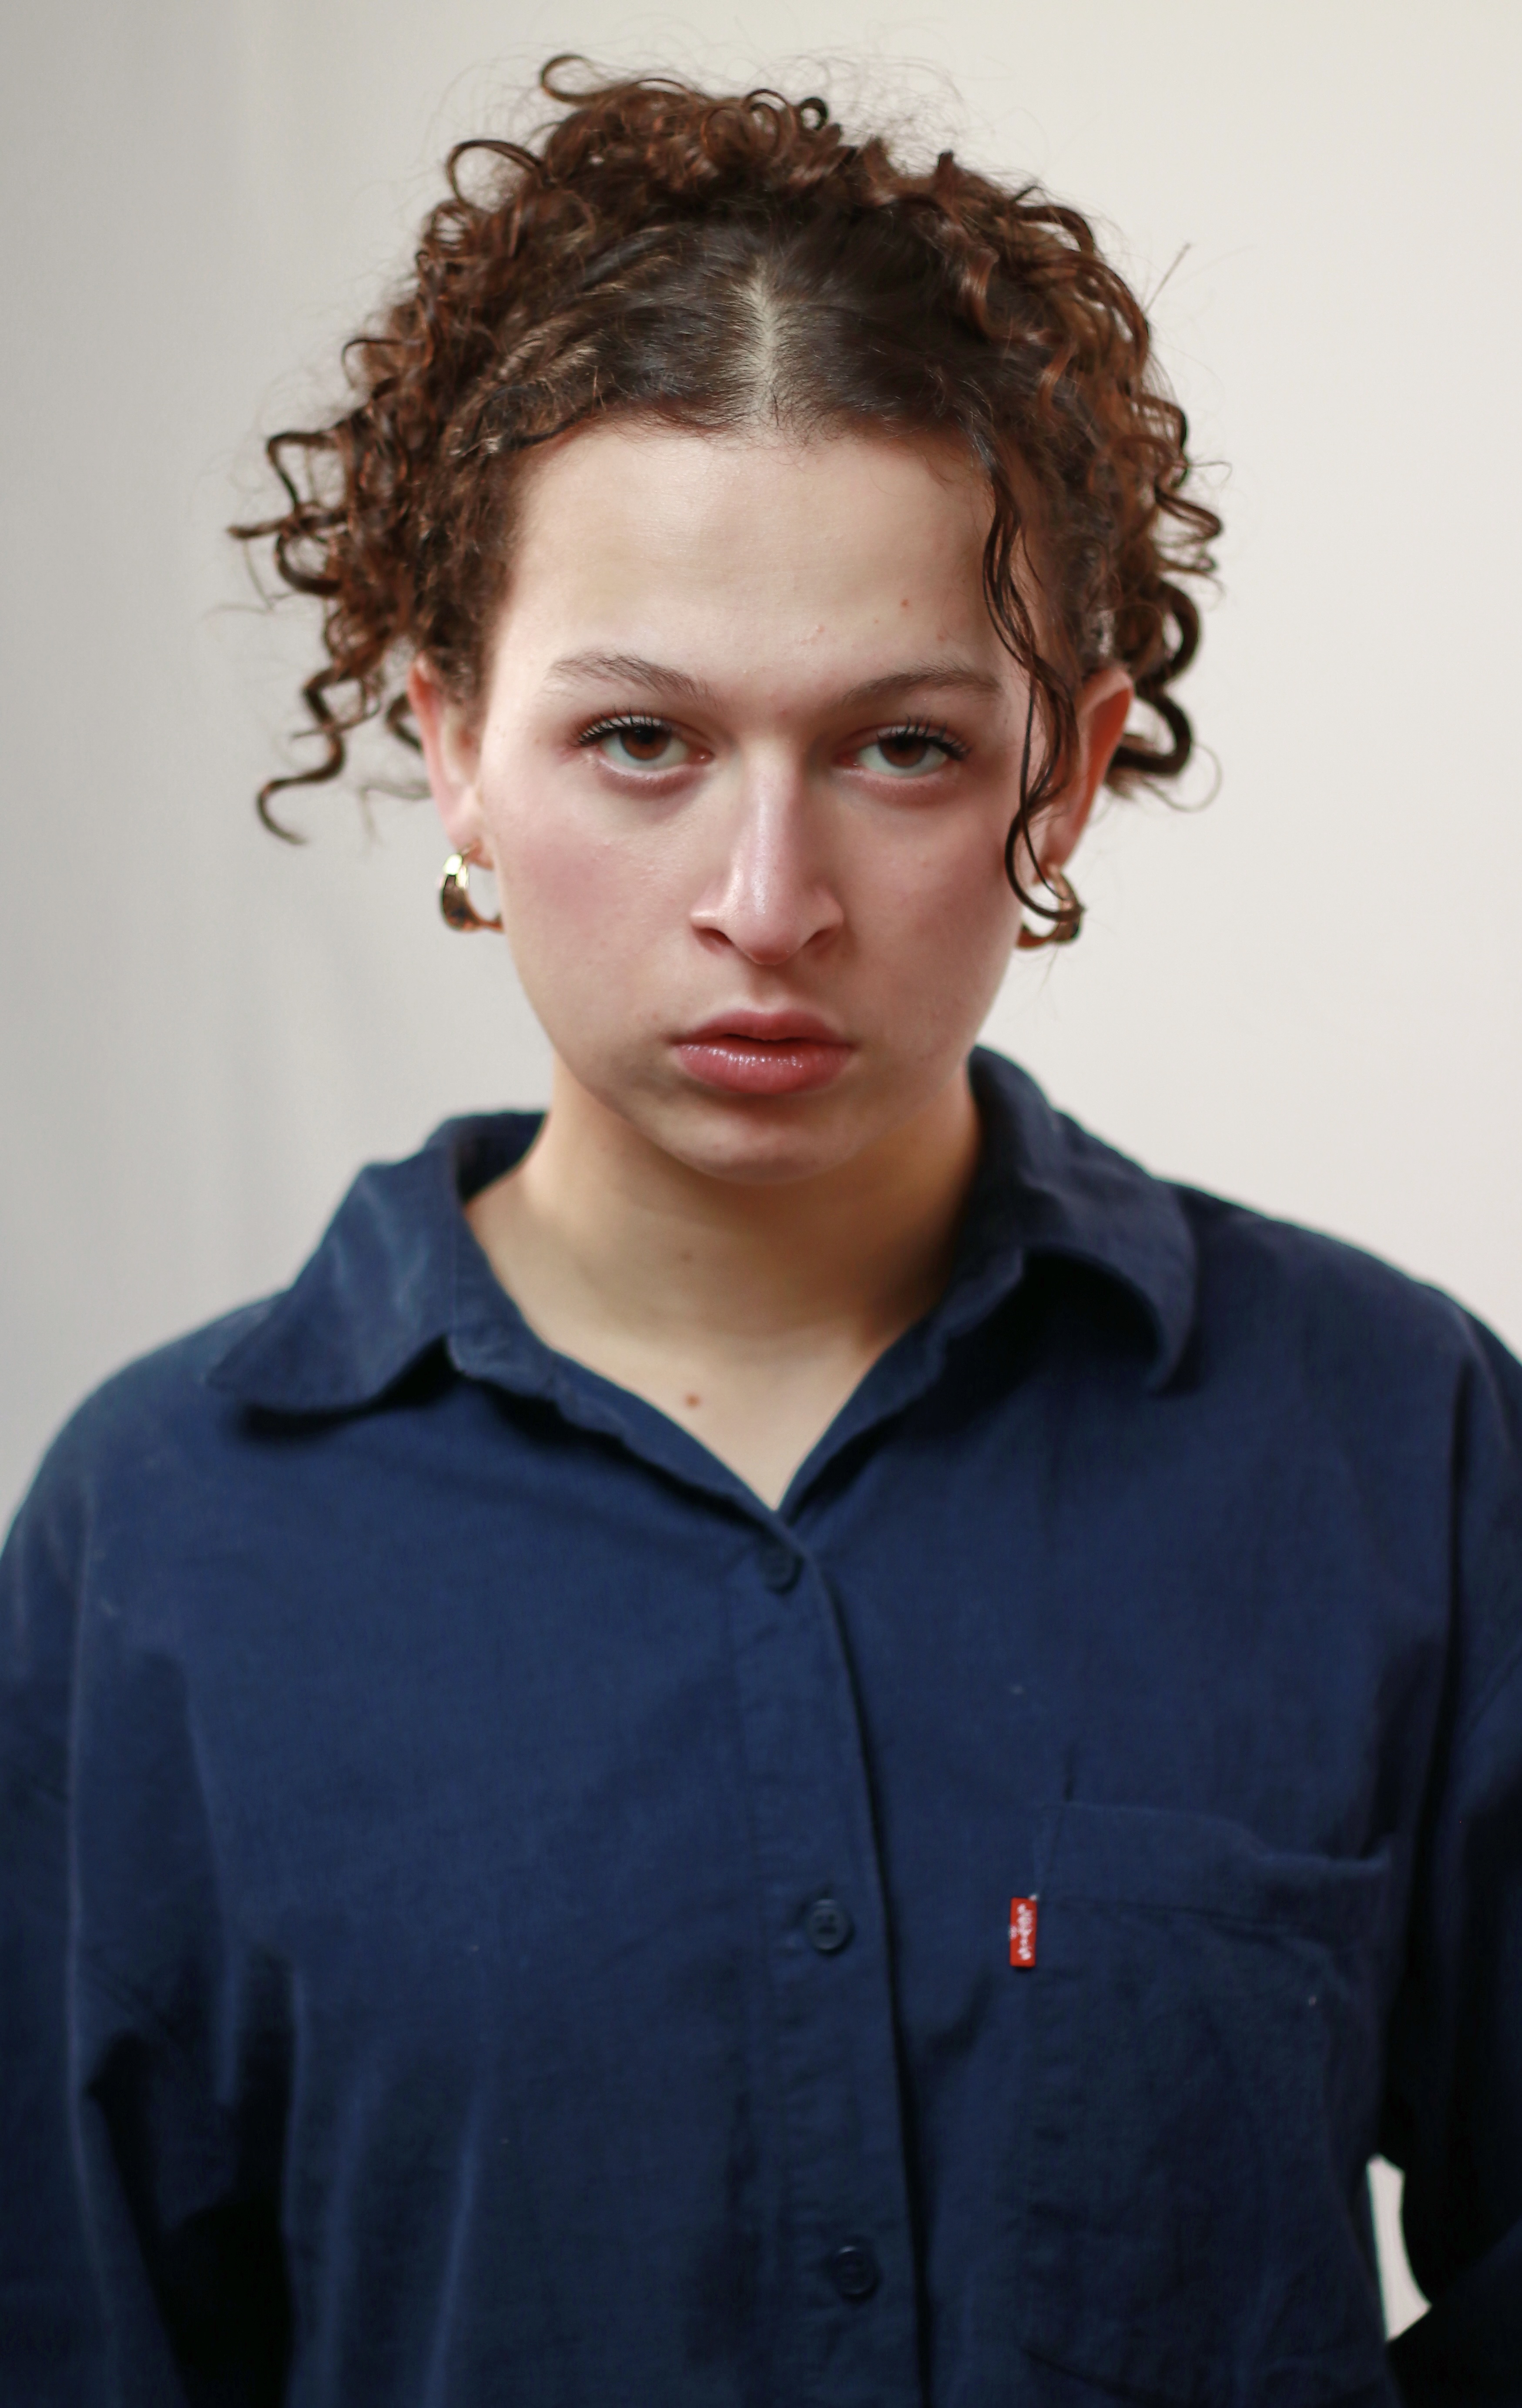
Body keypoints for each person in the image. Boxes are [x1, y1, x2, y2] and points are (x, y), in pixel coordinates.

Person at [2, 63, 1518, 2408]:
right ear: (455, 741)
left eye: (903, 746)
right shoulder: (161, 1538)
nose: (767, 900)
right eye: (641, 740)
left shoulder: (1393, 1439)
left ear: (1064, 773)